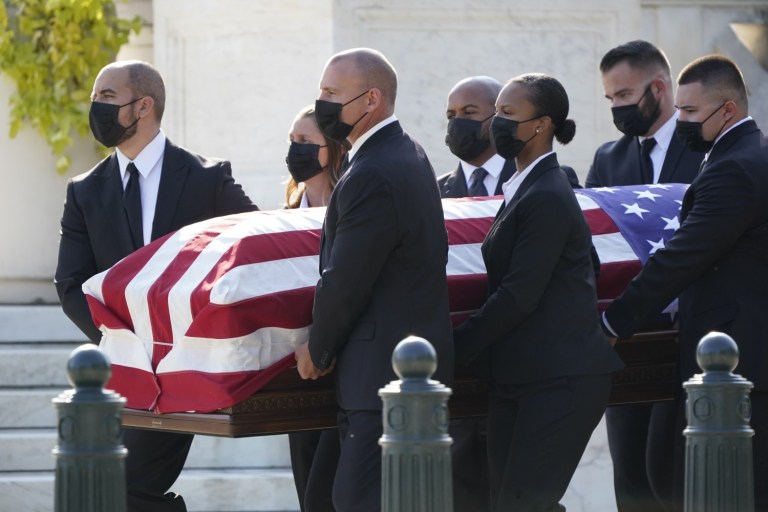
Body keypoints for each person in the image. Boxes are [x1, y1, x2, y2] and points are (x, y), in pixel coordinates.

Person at [54, 60, 257, 512]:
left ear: (144, 106)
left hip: (184, 361)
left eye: (107, 97)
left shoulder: (206, 178)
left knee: (125, 484)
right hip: (121, 366)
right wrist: (123, 344)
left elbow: (251, 249)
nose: (96, 107)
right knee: (116, 488)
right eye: (94, 97)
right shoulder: (83, 190)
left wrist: (197, 337)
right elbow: (70, 283)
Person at [601, 54, 768, 512]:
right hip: (728, 353)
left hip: (736, 360)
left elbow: (682, 256)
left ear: (728, 110)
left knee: (703, 486)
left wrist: (613, 321)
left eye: (692, 112)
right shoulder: (746, 156)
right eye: (681, 110)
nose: (682, 122)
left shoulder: (736, 168)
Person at [452, 73, 624, 512]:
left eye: (508, 113)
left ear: (541, 125)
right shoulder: (527, 187)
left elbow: (518, 295)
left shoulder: (547, 193)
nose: (497, 123)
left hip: (559, 379)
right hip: (521, 376)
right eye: (496, 112)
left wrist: (455, 348)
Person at [293, 48, 454, 512]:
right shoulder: (405, 152)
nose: (322, 103)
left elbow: (346, 277)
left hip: (383, 373)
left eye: (332, 93)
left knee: (358, 500)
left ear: (371, 99)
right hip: (395, 369)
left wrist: (318, 349)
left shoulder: (373, 170)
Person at [586, 40, 703, 512]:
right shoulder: (608, 159)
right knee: (631, 480)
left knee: (675, 479)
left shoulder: (706, 148)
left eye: (624, 95)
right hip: (628, 343)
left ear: (658, 88)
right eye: (610, 98)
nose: (617, 107)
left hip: (692, 335)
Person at [283, 105, 347, 512]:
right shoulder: (283, 216)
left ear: (333, 149)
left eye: (306, 141)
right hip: (298, 374)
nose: (295, 150)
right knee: (309, 491)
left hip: (344, 366)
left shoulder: (353, 207)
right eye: (292, 141)